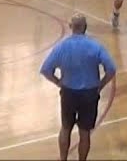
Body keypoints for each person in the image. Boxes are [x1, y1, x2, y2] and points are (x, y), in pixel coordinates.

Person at [40, 13, 117, 161]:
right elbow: (111, 69)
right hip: (89, 94)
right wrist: (100, 85)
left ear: (70, 27)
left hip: (68, 93)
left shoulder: (61, 47)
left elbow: (45, 70)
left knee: (65, 128)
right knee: (85, 133)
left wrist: (58, 82)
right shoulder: (95, 46)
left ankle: (63, 158)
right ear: (85, 27)